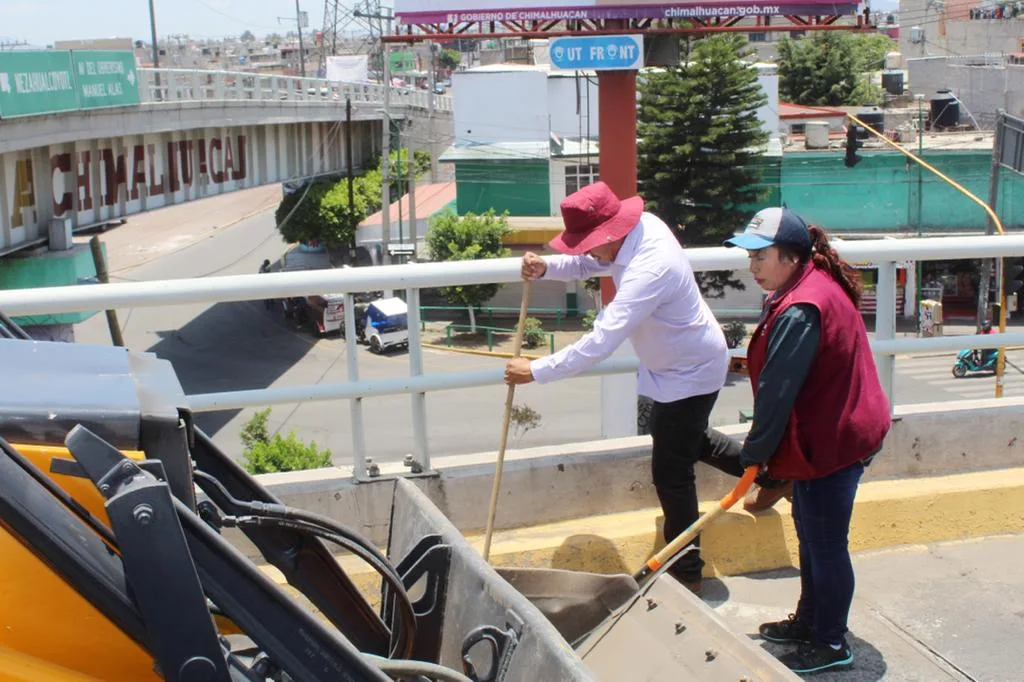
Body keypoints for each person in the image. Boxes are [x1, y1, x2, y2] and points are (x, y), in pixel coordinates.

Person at [503, 181, 787, 594]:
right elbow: (592, 263)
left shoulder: (649, 267)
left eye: (590, 243)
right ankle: (772, 475)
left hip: (691, 368)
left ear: (611, 233)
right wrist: (549, 267)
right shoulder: (637, 231)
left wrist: (537, 370)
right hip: (676, 364)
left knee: (672, 472)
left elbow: (602, 339)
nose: (588, 251)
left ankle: (686, 570)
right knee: (685, 438)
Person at [721, 207, 892, 674]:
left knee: (825, 542)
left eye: (761, 256)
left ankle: (832, 643)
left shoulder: (801, 307)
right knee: (813, 534)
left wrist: (756, 456)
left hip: (834, 443)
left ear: (792, 257)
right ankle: (811, 621)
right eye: (749, 256)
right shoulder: (809, 283)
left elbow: (777, 393)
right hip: (838, 431)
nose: (752, 267)